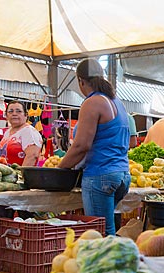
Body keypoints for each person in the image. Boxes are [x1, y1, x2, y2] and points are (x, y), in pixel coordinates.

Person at [58, 58, 131, 236]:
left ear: (81, 81)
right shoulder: (117, 102)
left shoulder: (92, 103)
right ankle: (113, 261)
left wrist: (59, 169)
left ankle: (109, 263)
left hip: (100, 175)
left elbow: (81, 146)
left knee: (100, 232)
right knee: (108, 228)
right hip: (122, 175)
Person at [0, 101, 43, 166]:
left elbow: (32, 156)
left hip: (21, 175)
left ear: (26, 115)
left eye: (18, 111)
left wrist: (22, 175)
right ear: (6, 115)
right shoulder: (8, 132)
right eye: (10, 111)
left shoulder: (29, 132)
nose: (14, 114)